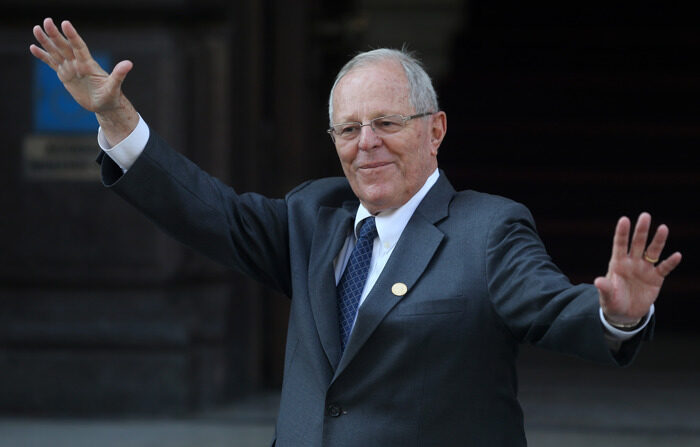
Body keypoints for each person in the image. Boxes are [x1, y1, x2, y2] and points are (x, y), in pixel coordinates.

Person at [30, 18, 682, 446]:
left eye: (387, 124)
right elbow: (208, 211)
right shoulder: (313, 216)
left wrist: (613, 313)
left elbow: (546, 302)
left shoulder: (489, 229)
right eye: (349, 129)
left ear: (436, 129)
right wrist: (116, 116)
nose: (366, 144)